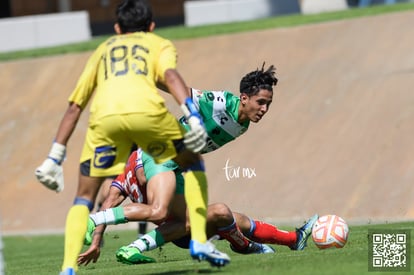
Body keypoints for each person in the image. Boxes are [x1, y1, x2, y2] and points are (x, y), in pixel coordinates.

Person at [34, 1, 228, 274]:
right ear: (151, 26)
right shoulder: (159, 44)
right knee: (192, 162)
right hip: (147, 114)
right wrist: (193, 116)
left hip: (104, 120)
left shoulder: (102, 51)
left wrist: (54, 156)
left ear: (116, 28)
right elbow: (171, 76)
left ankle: (67, 268)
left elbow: (74, 107)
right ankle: (198, 240)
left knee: (83, 198)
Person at [78, 63, 317, 263]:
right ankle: (245, 246)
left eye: (269, 104)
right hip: (163, 153)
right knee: (165, 210)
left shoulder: (244, 122)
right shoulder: (221, 103)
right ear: (244, 98)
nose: (265, 109)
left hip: (176, 166)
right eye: (261, 102)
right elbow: (181, 90)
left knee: (222, 217)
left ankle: (288, 241)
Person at [77, 148, 278, 266]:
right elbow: (142, 175)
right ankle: (251, 246)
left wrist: (95, 242)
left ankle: (289, 240)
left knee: (231, 218)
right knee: (222, 213)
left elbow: (106, 206)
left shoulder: (120, 181)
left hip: (173, 231)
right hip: (180, 226)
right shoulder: (144, 155)